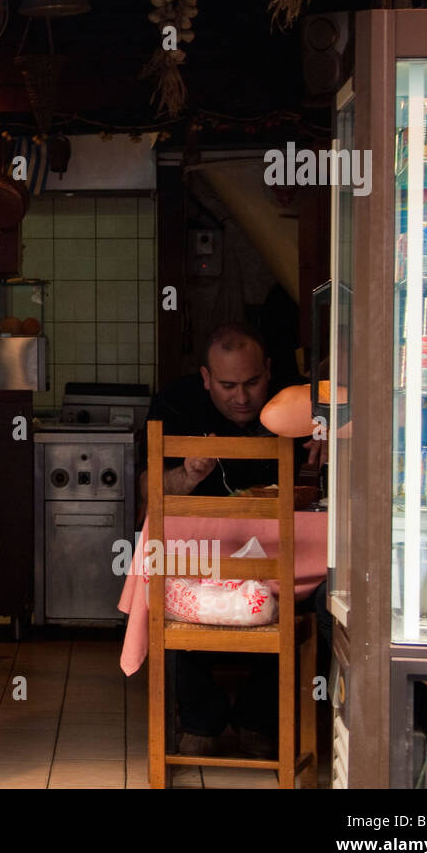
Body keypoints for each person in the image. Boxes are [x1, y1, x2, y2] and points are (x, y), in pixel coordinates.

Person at [138, 323, 309, 760]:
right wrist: (190, 473)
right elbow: (148, 491)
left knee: (311, 599)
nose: (242, 397)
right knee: (165, 587)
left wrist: (335, 438)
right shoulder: (176, 402)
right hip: (199, 554)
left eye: (253, 382)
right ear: (205, 378)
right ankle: (200, 717)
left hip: (281, 550)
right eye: (228, 385)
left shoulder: (298, 398)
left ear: (269, 370)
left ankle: (258, 718)